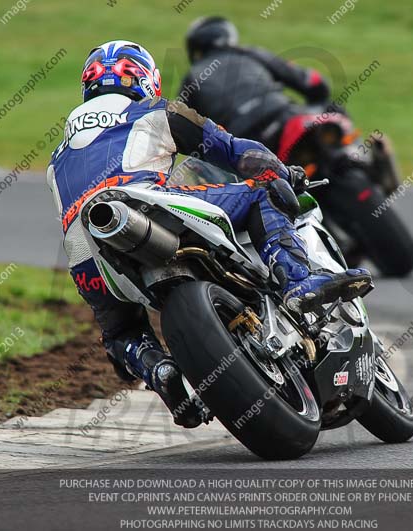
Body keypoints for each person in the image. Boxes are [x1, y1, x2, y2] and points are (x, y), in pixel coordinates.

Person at [47, 40, 371, 428]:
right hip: (144, 201)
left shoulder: (57, 157)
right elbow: (233, 151)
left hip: (84, 250)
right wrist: (279, 172)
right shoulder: (153, 111)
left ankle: (159, 371)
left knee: (120, 331)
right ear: (144, 78)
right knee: (259, 194)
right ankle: (299, 282)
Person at [179, 16, 331, 147]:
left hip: (244, 143)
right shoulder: (249, 53)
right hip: (282, 115)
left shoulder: (192, 76)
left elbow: (183, 128)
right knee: (334, 114)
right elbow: (313, 82)